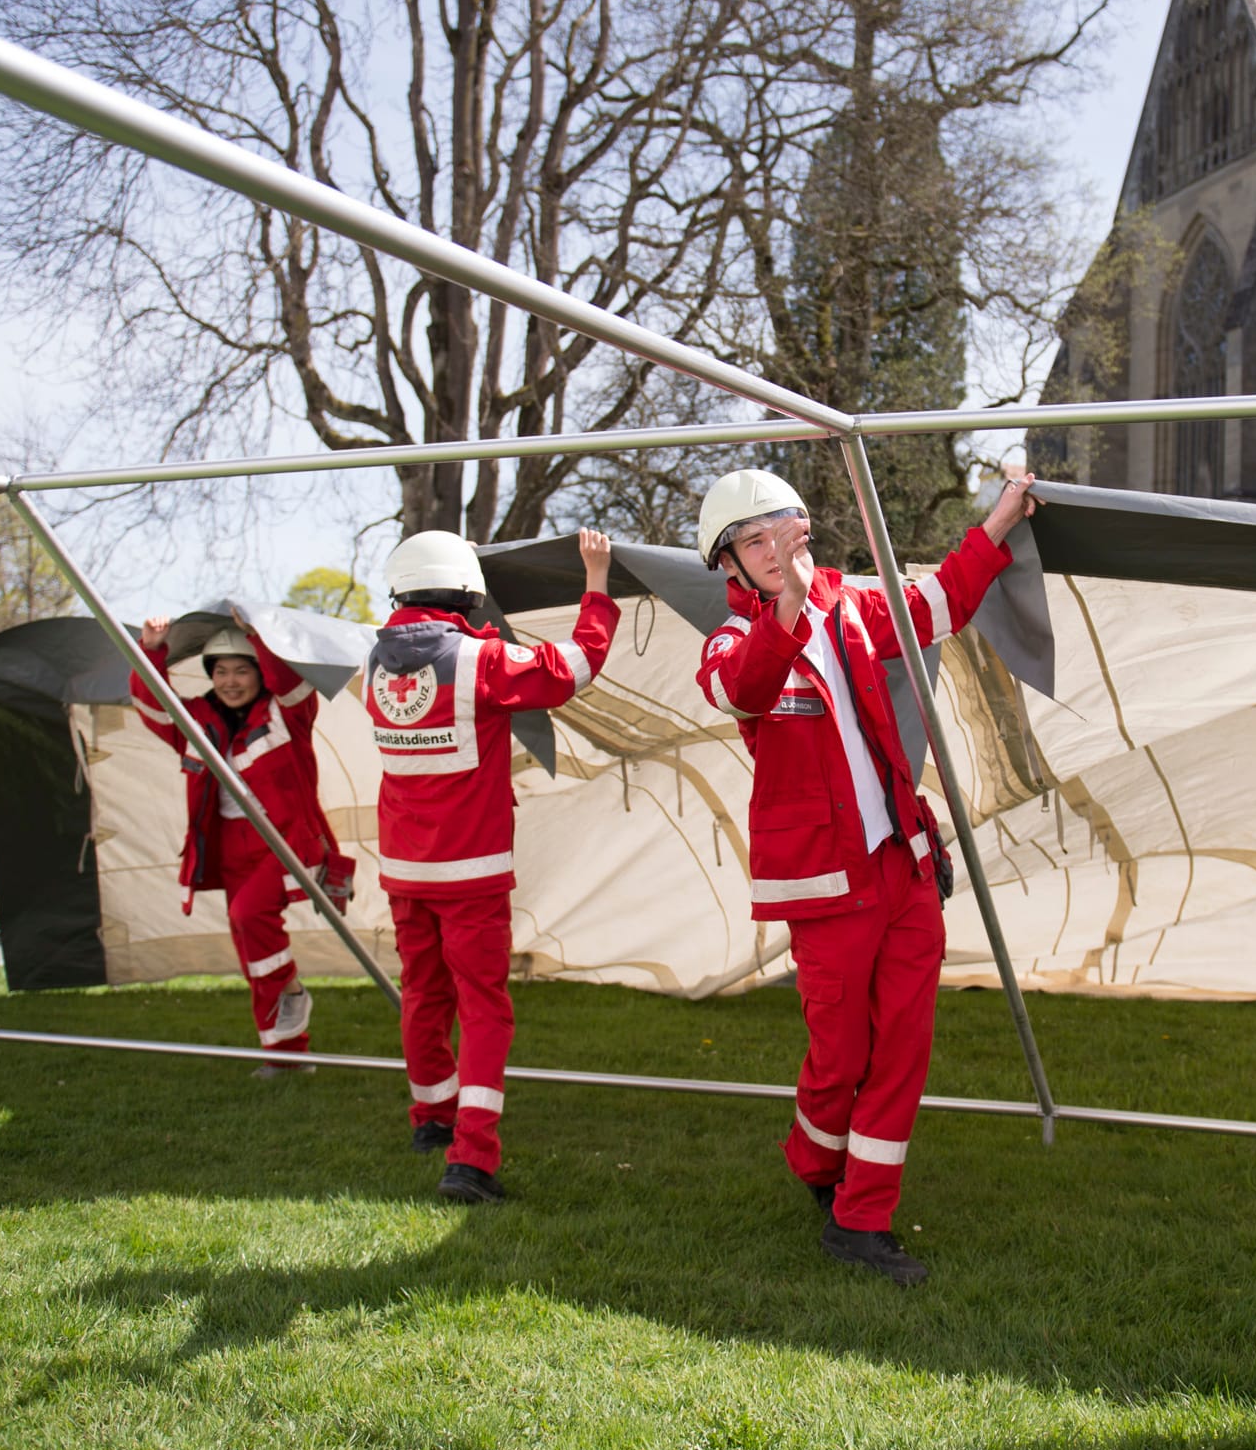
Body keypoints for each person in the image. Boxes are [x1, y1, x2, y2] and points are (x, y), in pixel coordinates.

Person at [693, 467, 1038, 1287]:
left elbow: (944, 602)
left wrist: (999, 520)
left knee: (905, 1049)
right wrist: (785, 612)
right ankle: (816, 1157)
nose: (776, 548)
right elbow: (744, 690)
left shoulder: (854, 607)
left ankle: (862, 1217)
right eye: (754, 539)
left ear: (808, 529)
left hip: (905, 866)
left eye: (786, 528)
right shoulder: (730, 645)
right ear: (729, 565)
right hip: (823, 886)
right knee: (840, 1054)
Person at [367, 528, 619, 1204]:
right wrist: (595, 583)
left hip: (403, 868)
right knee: (484, 1009)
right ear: (467, 594)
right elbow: (576, 668)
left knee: (423, 993)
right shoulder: (478, 658)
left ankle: (431, 1119)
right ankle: (470, 1158)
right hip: (469, 870)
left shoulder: (372, 662)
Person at [130, 617, 346, 1077]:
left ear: (259, 671)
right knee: (250, 949)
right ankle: (286, 1057)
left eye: (241, 670)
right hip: (228, 847)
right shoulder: (198, 720)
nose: (230, 682)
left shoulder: (287, 712)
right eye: (221, 671)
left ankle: (290, 993)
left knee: (248, 917)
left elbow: (292, 685)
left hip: (281, 841)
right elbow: (153, 709)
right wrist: (151, 651)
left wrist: (257, 636)